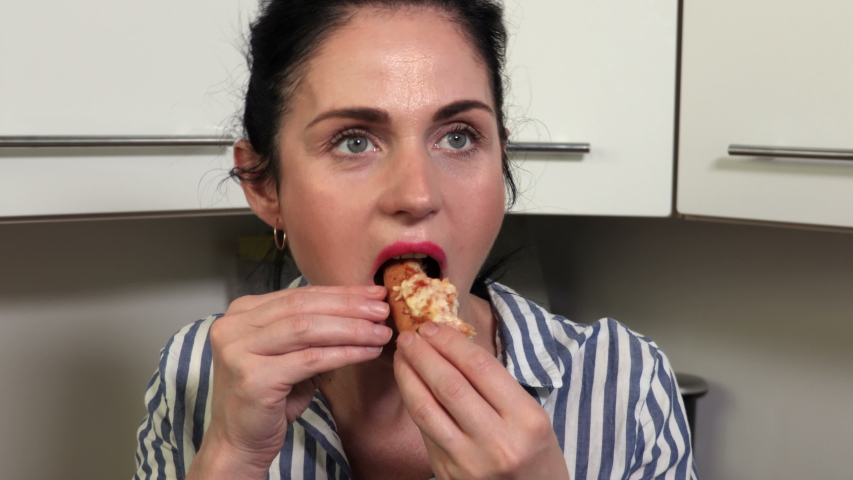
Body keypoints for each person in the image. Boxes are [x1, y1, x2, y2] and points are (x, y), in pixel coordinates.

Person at [134, 0, 699, 478]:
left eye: (458, 137)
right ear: (264, 186)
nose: (417, 194)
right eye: (354, 141)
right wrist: (230, 457)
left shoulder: (623, 383)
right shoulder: (199, 370)